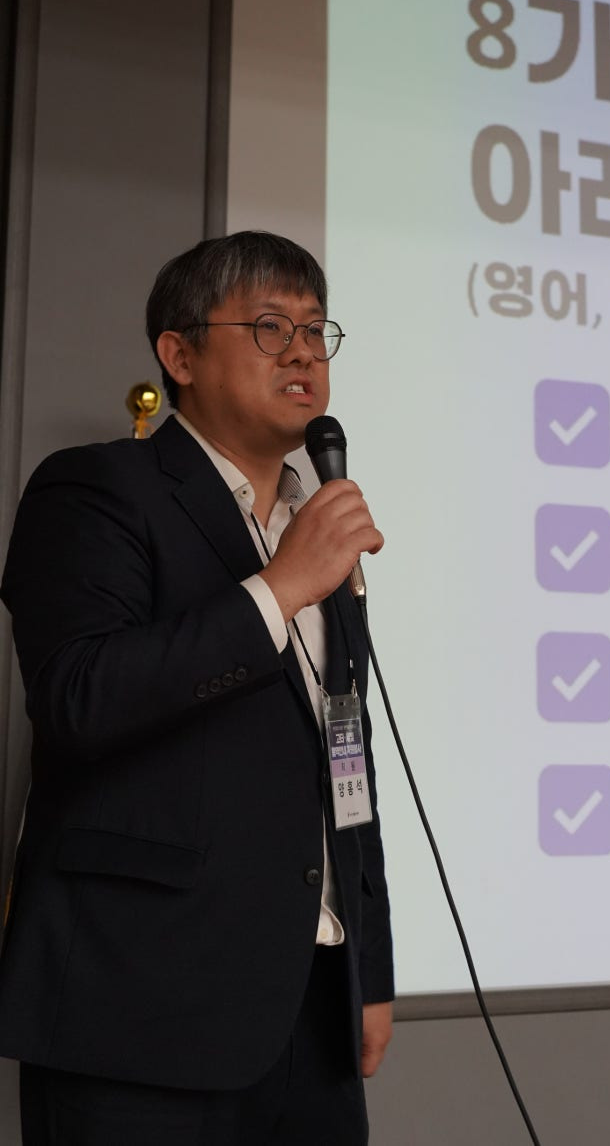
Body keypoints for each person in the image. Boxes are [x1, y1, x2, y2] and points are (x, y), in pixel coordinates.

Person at [0, 230, 393, 1145]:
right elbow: (79, 697)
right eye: (268, 327)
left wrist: (369, 969)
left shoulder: (312, 522)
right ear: (179, 356)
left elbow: (346, 748)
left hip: (310, 1008)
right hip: (139, 1006)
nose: (303, 352)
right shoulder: (96, 488)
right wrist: (280, 587)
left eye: (315, 329)